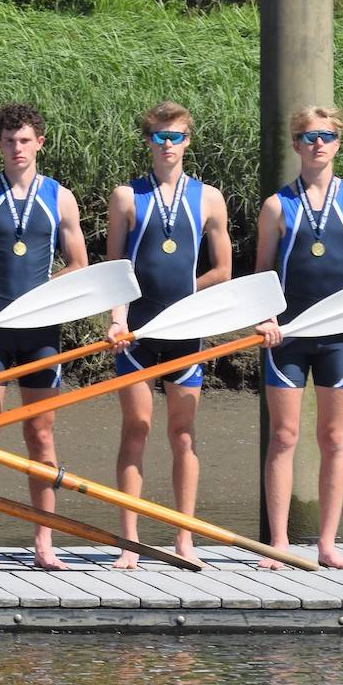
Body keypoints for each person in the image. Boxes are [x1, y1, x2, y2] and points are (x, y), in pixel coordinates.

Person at [0, 102, 87, 570]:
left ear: (40, 144)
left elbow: (78, 265)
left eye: (25, 141)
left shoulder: (61, 198)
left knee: (41, 437)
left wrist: (43, 296)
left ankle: (44, 543)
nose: (17, 149)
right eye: (9, 142)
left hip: (41, 333)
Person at [105, 102, 231, 568]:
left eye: (175, 136)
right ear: (148, 142)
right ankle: (130, 540)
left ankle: (184, 537)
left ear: (187, 141)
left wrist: (187, 300)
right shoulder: (125, 196)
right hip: (136, 335)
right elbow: (118, 270)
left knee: (182, 435)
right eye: (159, 137)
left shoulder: (209, 198)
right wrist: (118, 320)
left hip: (186, 334)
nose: (168, 145)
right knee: (136, 430)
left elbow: (223, 270)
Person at [255, 106, 343, 570]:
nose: (318, 143)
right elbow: (262, 273)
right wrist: (265, 319)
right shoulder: (276, 205)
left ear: (338, 143)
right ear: (296, 144)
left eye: (326, 135)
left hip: (338, 335)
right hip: (288, 335)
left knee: (333, 438)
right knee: (283, 436)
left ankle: (327, 544)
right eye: (308, 136)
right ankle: (279, 542)